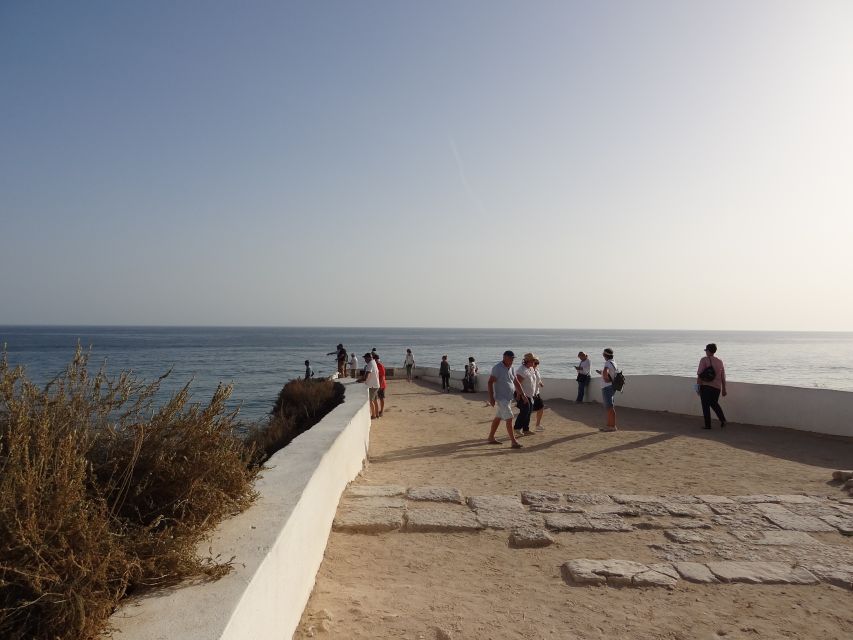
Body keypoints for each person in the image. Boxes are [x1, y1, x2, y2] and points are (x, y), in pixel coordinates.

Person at [486, 350, 524, 448]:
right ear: (504, 357)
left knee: (498, 417)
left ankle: (491, 437)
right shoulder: (497, 368)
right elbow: (490, 382)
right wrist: (491, 398)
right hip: (501, 398)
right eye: (510, 358)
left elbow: (515, 381)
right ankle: (513, 442)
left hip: (508, 397)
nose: (512, 360)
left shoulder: (512, 368)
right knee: (510, 417)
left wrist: (522, 394)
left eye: (513, 358)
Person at [697, 343, 727, 429]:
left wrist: (698, 386)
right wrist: (724, 389)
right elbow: (723, 376)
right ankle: (723, 420)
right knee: (714, 404)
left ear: (709, 351)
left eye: (706, 350)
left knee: (705, 406)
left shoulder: (704, 360)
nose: (706, 352)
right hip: (717, 387)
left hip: (706, 386)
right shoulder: (720, 361)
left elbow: (699, 374)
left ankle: (708, 425)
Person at [512, 353, 536, 435]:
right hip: (523, 394)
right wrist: (520, 395)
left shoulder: (530, 369)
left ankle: (526, 429)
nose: (534, 361)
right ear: (527, 361)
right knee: (525, 411)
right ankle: (517, 428)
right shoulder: (522, 370)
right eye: (533, 360)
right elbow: (516, 382)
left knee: (529, 412)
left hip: (530, 395)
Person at [595, 348, 618, 432]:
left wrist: (605, 378)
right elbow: (609, 373)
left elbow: (606, 372)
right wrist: (602, 373)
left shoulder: (607, 363)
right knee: (610, 407)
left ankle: (612, 426)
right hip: (612, 387)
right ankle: (610, 426)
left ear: (605, 355)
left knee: (609, 407)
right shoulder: (613, 362)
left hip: (607, 387)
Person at [360, 352, 381, 419]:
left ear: (369, 358)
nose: (365, 360)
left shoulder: (370, 364)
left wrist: (361, 380)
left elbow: (367, 376)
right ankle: (377, 414)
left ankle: (373, 415)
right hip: (376, 385)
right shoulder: (374, 362)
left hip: (372, 386)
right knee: (375, 400)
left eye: (365, 358)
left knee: (370, 401)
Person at [532, 358, 546, 431]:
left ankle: (537, 425)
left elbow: (538, 379)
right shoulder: (528, 371)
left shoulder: (537, 370)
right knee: (526, 411)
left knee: (541, 408)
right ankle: (520, 427)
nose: (536, 365)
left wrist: (540, 383)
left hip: (536, 393)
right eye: (535, 363)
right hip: (530, 393)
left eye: (537, 363)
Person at [374, 353, 387, 417]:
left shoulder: (380, 366)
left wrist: (380, 386)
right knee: (376, 398)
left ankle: (381, 411)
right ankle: (378, 411)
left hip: (381, 385)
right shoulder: (375, 365)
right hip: (377, 384)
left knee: (381, 398)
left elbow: (382, 376)